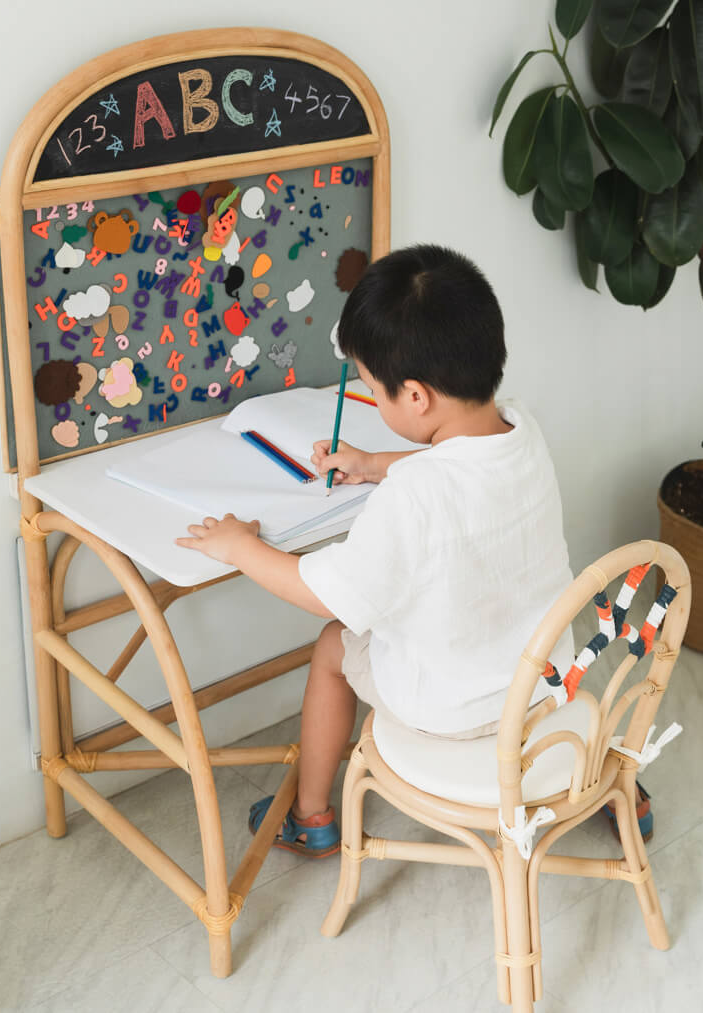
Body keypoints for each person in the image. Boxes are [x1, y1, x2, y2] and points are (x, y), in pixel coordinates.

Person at [177, 244, 581, 857]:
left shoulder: (414, 498)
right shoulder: (521, 428)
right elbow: (460, 464)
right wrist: (373, 465)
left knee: (335, 645)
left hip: (460, 709)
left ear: (414, 397)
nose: (372, 397)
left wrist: (240, 547)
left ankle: (310, 814)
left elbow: (323, 594)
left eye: (372, 389)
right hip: (545, 681)